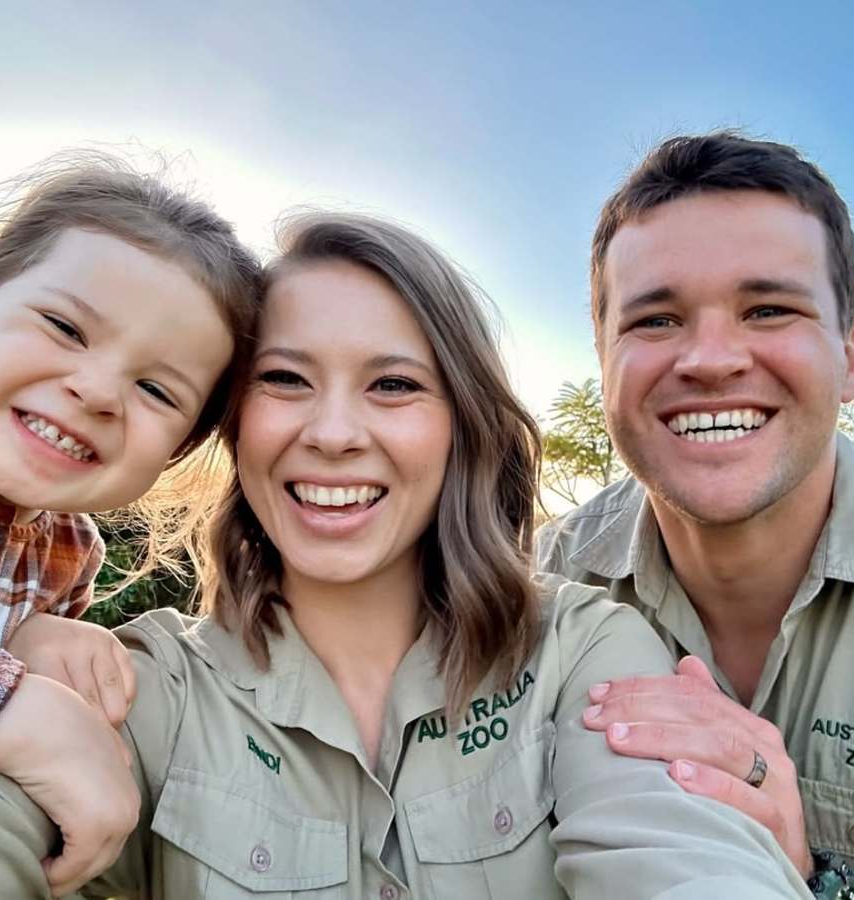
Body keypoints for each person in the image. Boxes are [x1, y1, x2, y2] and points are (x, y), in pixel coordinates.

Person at [63, 211, 808, 899]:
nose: (332, 433)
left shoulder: (583, 650)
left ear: (464, 427)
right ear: (233, 420)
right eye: (285, 380)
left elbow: (679, 853)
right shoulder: (147, 689)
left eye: (393, 385)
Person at [537, 132, 854, 899]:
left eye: (768, 309)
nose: (709, 358)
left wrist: (811, 881)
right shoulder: (530, 595)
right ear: (602, 359)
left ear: (851, 354)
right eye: (655, 320)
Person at [0, 157, 261, 897]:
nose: (96, 391)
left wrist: (30, 652)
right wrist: (11, 706)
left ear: (176, 451)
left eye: (157, 389)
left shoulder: (65, 558)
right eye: (65, 326)